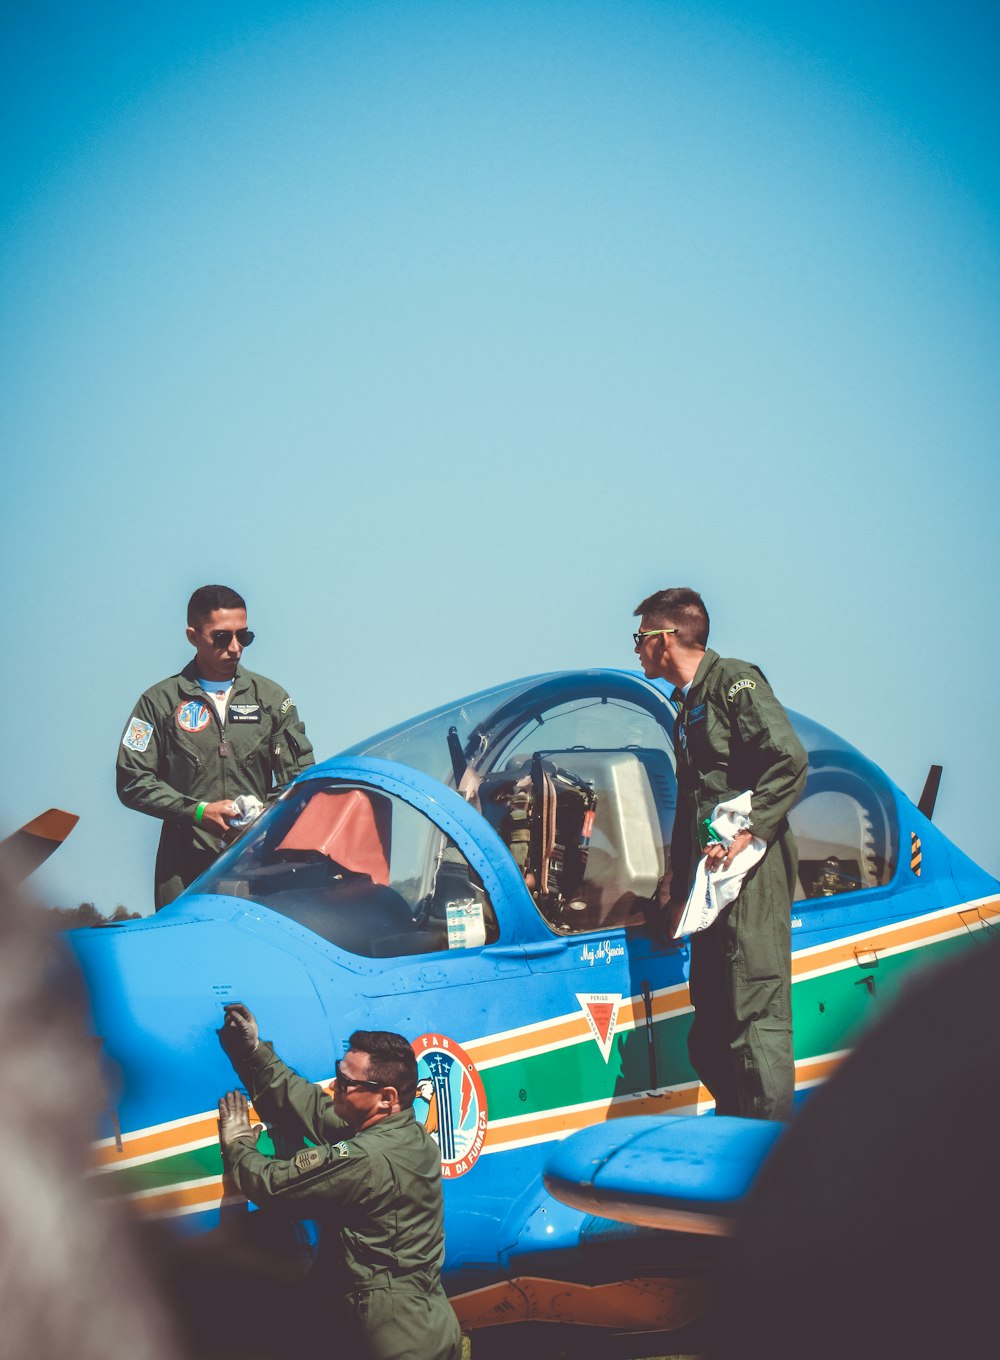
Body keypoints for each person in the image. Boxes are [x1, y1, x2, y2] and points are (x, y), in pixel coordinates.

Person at [634, 587, 807, 1120]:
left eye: (639, 639)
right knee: (711, 1023)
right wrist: (673, 891)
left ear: (665, 640)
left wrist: (747, 832)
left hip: (750, 874)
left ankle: (768, 1166)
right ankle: (736, 1135)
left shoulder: (734, 682)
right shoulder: (688, 706)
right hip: (712, 883)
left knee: (754, 1018)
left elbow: (789, 760)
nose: (636, 651)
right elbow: (694, 806)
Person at [217, 1004, 462, 1360]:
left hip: (388, 1342)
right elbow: (313, 1108)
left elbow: (275, 1186)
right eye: (338, 1074)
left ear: (386, 1097)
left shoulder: (367, 1159)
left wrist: (238, 1144)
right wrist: (254, 1051)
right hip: (429, 1328)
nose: (335, 1085)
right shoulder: (406, 1132)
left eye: (346, 1083)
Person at [117, 584, 314, 910]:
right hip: (183, 874)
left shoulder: (272, 700)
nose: (235, 648)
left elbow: (302, 780)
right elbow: (131, 781)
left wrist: (261, 814)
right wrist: (198, 812)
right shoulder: (159, 703)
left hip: (257, 868)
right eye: (222, 638)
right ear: (193, 636)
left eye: (244, 637)